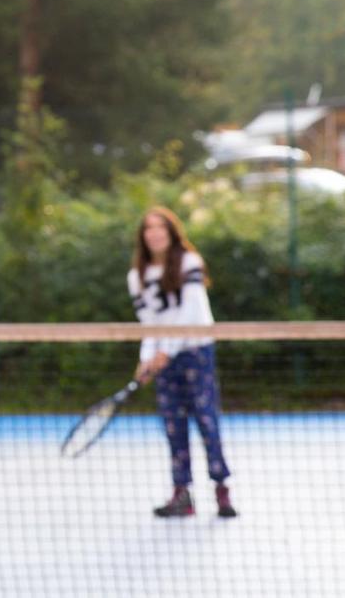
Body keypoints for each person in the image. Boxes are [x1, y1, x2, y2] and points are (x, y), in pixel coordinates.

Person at [128, 206, 237, 519]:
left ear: (171, 232)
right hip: (164, 360)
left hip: (196, 351)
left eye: (160, 227)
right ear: (143, 236)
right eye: (148, 228)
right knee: (173, 426)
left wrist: (167, 350)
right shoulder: (136, 276)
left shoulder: (190, 262)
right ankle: (182, 495)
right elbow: (148, 322)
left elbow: (189, 312)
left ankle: (222, 491)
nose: (154, 233)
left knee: (206, 420)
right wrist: (147, 358)